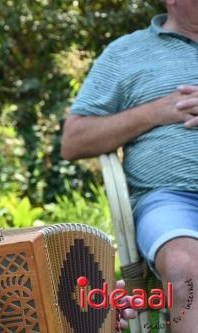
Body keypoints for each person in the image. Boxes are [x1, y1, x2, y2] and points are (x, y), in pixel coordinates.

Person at [61, 0, 198, 331]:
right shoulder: (126, 53)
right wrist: (156, 112)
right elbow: (74, 140)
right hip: (172, 200)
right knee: (184, 270)